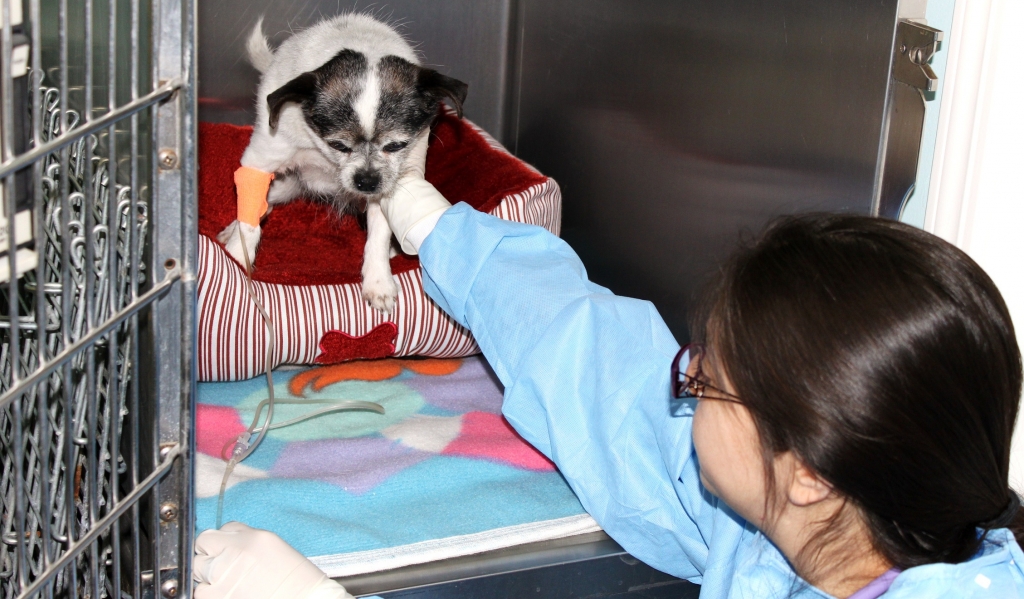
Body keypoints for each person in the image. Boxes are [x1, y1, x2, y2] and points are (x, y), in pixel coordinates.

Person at [194, 178, 1024, 599]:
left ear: (809, 470)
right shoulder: (821, 522)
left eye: (708, 382)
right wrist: (444, 231)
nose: (684, 383)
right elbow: (606, 383)